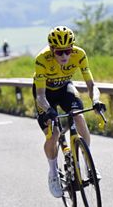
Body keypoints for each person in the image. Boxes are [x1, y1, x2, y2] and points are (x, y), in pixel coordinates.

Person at [32, 26, 106, 198]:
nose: (65, 56)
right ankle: (53, 173)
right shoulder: (42, 59)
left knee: (78, 116)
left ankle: (89, 163)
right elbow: (40, 96)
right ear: (52, 50)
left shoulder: (79, 54)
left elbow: (91, 85)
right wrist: (49, 111)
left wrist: (96, 100)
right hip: (45, 94)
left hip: (65, 89)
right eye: (60, 52)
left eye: (68, 51)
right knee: (54, 133)